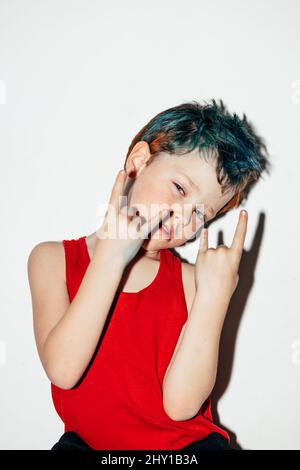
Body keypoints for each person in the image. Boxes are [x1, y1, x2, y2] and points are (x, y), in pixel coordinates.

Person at [27, 99, 270, 450]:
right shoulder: (51, 259)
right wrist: (111, 254)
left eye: (201, 215)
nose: (184, 217)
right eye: (180, 189)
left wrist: (214, 297)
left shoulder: (190, 281)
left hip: (183, 448)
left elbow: (182, 406)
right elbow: (64, 371)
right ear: (139, 163)